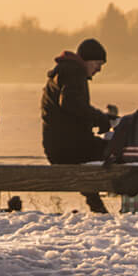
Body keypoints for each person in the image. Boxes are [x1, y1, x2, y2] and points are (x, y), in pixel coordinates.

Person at [41, 37, 115, 213]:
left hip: (59, 146)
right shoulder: (74, 72)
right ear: (88, 60)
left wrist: (98, 119)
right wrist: (102, 119)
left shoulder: (66, 71)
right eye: (98, 63)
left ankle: (97, 207)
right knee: (116, 150)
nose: (99, 69)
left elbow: (72, 110)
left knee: (96, 151)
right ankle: (127, 197)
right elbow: (71, 104)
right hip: (68, 147)